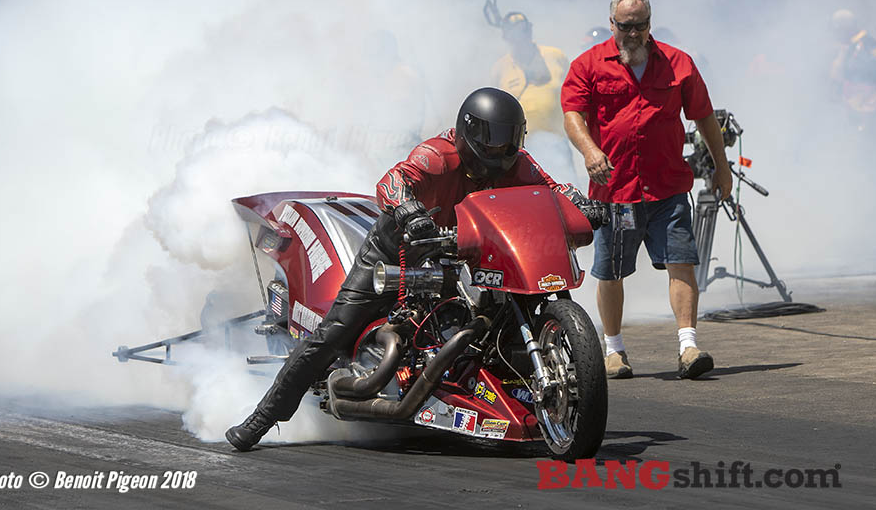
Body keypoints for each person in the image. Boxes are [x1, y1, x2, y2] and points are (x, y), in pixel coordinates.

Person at [226, 87, 607, 451]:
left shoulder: (517, 163)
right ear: (469, 132)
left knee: (499, 313)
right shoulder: (438, 156)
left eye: (509, 141)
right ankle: (262, 418)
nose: (501, 150)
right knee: (333, 333)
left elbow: (552, 190)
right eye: (493, 140)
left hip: (466, 255)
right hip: (397, 252)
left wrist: (581, 205)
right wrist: (409, 210)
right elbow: (394, 180)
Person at [561, 0, 732, 381]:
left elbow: (704, 117)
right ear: (612, 25)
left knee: (681, 261)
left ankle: (688, 346)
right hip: (615, 192)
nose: (632, 33)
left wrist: (721, 168)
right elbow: (573, 116)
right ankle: (614, 350)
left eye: (639, 26)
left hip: (667, 187)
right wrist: (589, 151)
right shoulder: (588, 64)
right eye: (625, 26)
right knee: (610, 271)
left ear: (649, 24)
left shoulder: (677, 63)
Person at [492, 12, 571, 137]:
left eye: (524, 30)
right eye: (515, 33)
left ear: (530, 30)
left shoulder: (556, 56)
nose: (521, 36)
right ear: (506, 37)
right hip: (519, 142)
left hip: (556, 136)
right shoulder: (500, 68)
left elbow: (573, 93)